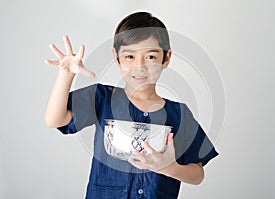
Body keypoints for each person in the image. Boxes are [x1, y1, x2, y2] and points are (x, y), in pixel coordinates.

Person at [44, 12, 218, 199]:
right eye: (129, 57)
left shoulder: (179, 114)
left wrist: (170, 168)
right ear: (117, 57)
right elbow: (55, 120)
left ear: (166, 58)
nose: (139, 66)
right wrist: (66, 74)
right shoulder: (102, 98)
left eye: (150, 56)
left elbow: (197, 174)